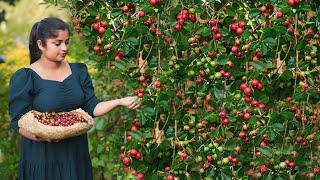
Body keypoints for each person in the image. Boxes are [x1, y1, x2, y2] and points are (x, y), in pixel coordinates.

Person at [8, 17, 141, 180]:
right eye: (57, 43)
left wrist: (120, 102)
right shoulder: (26, 77)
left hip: (75, 156)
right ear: (40, 44)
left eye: (67, 42)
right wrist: (42, 136)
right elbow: (17, 120)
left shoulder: (78, 71)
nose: (64, 48)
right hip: (42, 158)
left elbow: (91, 107)